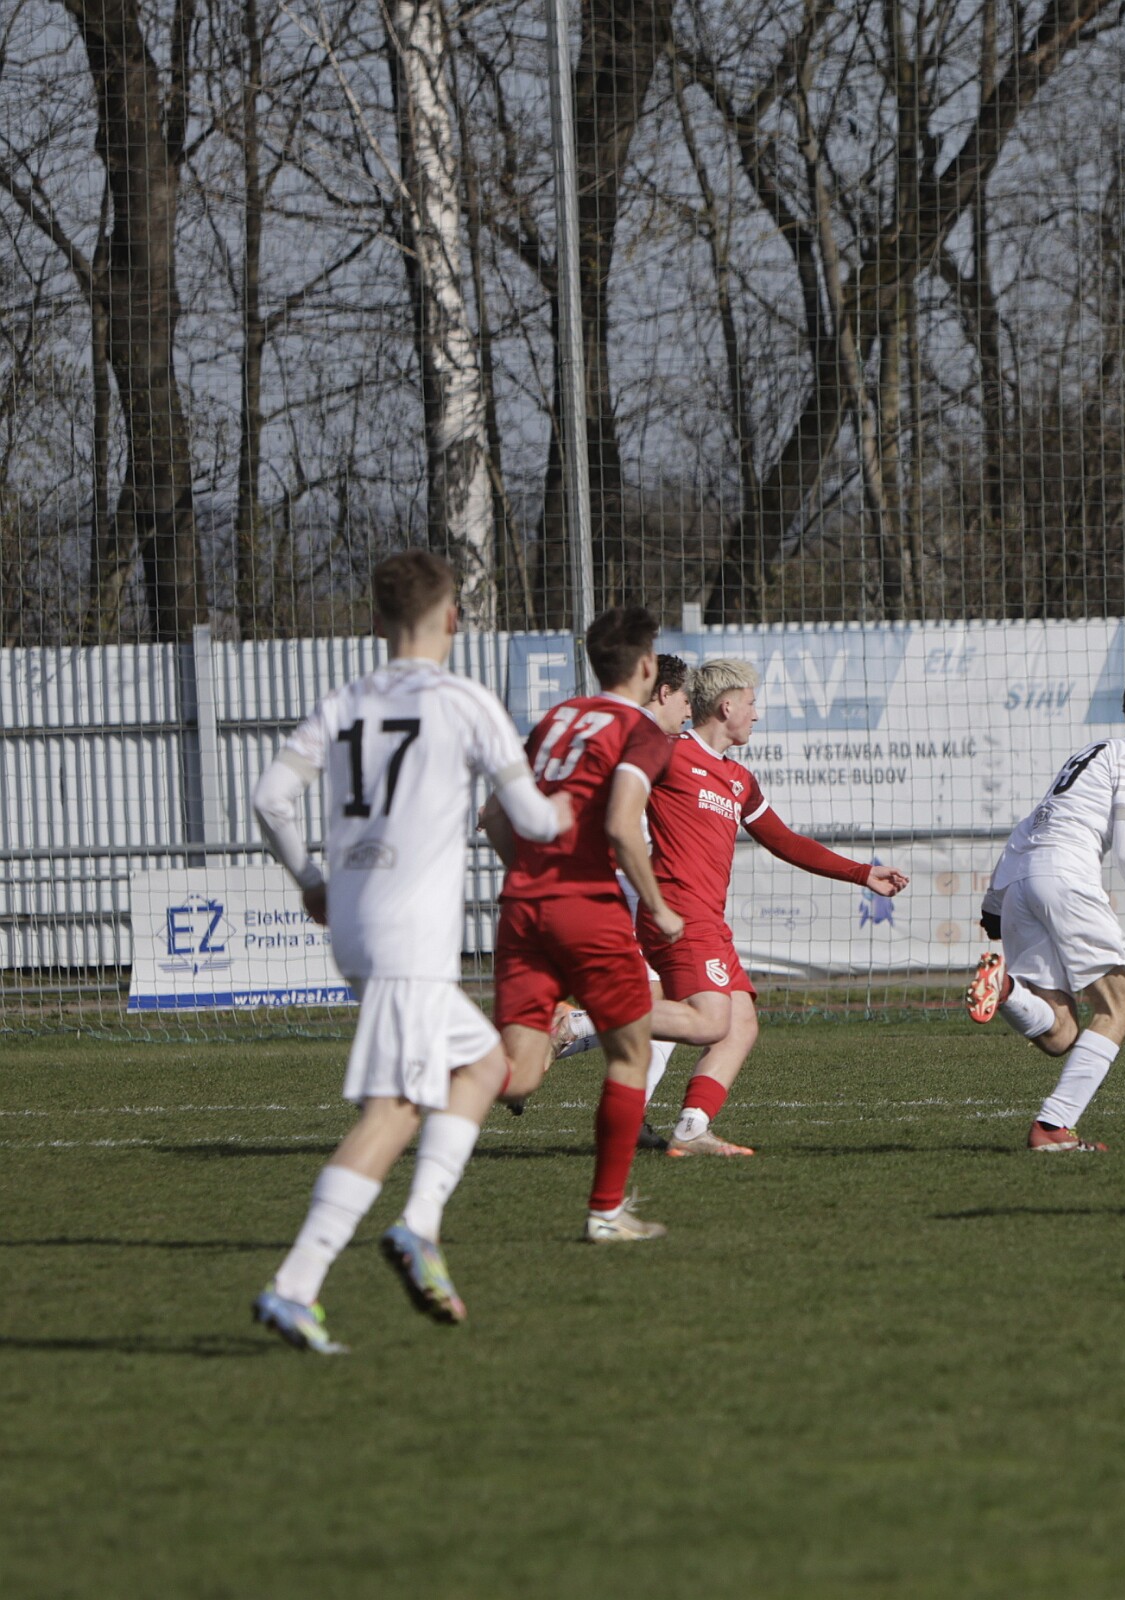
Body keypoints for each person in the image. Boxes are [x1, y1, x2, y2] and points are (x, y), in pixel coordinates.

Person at [249, 551, 573, 1352]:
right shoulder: (464, 701)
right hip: (409, 937)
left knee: (486, 1065)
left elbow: (270, 797)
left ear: (374, 621)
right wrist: (576, 807)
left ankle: (420, 1224)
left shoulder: (347, 699)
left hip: (358, 922)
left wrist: (311, 881)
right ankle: (297, 1284)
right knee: (394, 1110)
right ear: (453, 618)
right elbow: (535, 820)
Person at [636, 658, 908, 1155]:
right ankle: (584, 1022)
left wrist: (861, 873)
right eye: (752, 703)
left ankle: (692, 1128)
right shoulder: (669, 753)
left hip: (708, 919)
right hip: (676, 911)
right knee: (710, 1020)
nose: (757, 714)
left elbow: (785, 840)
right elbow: (603, 787)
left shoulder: (739, 779)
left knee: (740, 1023)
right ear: (727, 707)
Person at [480, 606, 687, 1241]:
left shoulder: (557, 720)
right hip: (587, 909)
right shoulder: (640, 730)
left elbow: (493, 815)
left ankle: (436, 1066)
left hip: (523, 907)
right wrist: (657, 906)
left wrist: (531, 874)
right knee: (631, 1052)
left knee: (520, 1075)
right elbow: (623, 825)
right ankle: (605, 1214)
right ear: (648, 667)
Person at [965, 667, 1125, 1152]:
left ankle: (1005, 989)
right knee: (1119, 1009)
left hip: (1022, 878)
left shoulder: (1093, 752)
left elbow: (1032, 822)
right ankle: (1052, 1126)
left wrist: (995, 901)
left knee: (1060, 1032)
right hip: (1065, 876)